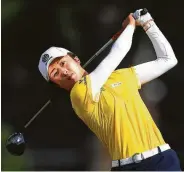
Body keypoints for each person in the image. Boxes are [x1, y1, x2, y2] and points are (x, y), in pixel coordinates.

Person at [38, 9, 181, 171]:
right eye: (55, 73)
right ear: (56, 84)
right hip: (128, 167)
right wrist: (131, 25)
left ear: (75, 59)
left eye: (63, 63)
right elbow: (119, 52)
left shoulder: (121, 76)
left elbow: (168, 60)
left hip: (162, 159)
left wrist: (148, 24)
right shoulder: (78, 95)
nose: (63, 71)